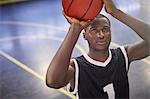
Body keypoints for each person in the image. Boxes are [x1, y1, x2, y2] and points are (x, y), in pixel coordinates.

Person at [46, 0, 150, 98]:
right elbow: (52, 81)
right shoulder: (76, 67)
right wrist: (75, 29)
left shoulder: (123, 55)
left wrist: (116, 12)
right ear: (84, 35)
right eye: (94, 30)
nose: (101, 35)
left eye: (105, 29)